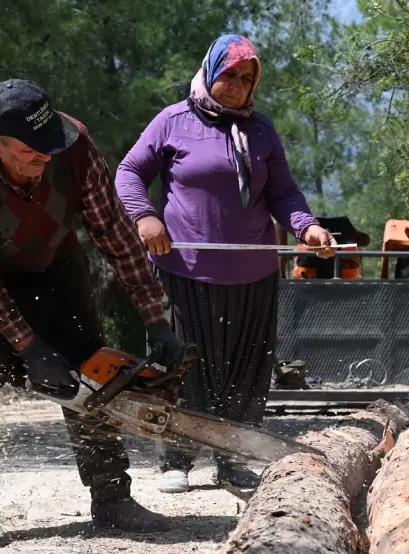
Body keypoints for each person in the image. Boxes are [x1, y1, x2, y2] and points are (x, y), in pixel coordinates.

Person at [0, 79, 186, 547]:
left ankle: (112, 499)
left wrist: (155, 317)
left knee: (90, 361)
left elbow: (117, 236)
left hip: (51, 257)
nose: (46, 156)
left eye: (50, 145)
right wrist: (31, 348)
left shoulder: (75, 147)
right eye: (31, 150)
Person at [115, 34, 334, 496]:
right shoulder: (172, 122)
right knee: (182, 364)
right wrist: (147, 217)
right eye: (228, 74)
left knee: (246, 368)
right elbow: (129, 172)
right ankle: (176, 458)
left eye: (246, 78)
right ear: (210, 71)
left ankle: (234, 459)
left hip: (253, 272)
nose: (236, 85)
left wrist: (307, 228)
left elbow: (283, 194)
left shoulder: (262, 132)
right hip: (183, 270)